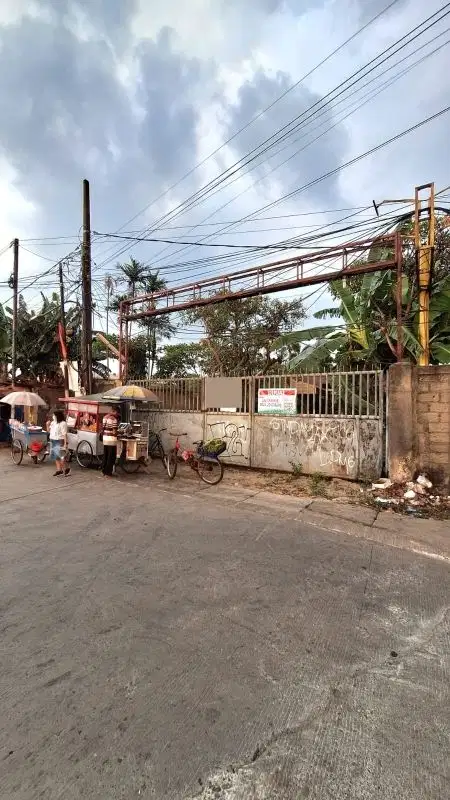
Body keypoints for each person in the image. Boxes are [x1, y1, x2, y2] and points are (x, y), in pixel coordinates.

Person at [49, 409, 70, 477]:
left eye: (54, 415)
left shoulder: (63, 423)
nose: (53, 416)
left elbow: (64, 434)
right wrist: (47, 425)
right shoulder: (53, 422)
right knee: (56, 457)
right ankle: (59, 470)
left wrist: (65, 443)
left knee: (62, 457)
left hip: (60, 440)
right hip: (53, 440)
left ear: (57, 416)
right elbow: (49, 431)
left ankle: (66, 468)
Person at [102, 407, 119, 477]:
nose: (117, 414)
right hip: (111, 440)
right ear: (115, 411)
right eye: (117, 413)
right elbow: (114, 431)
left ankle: (104, 471)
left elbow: (103, 428)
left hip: (105, 439)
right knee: (111, 457)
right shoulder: (114, 419)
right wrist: (118, 432)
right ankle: (108, 473)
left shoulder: (105, 417)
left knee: (105, 455)